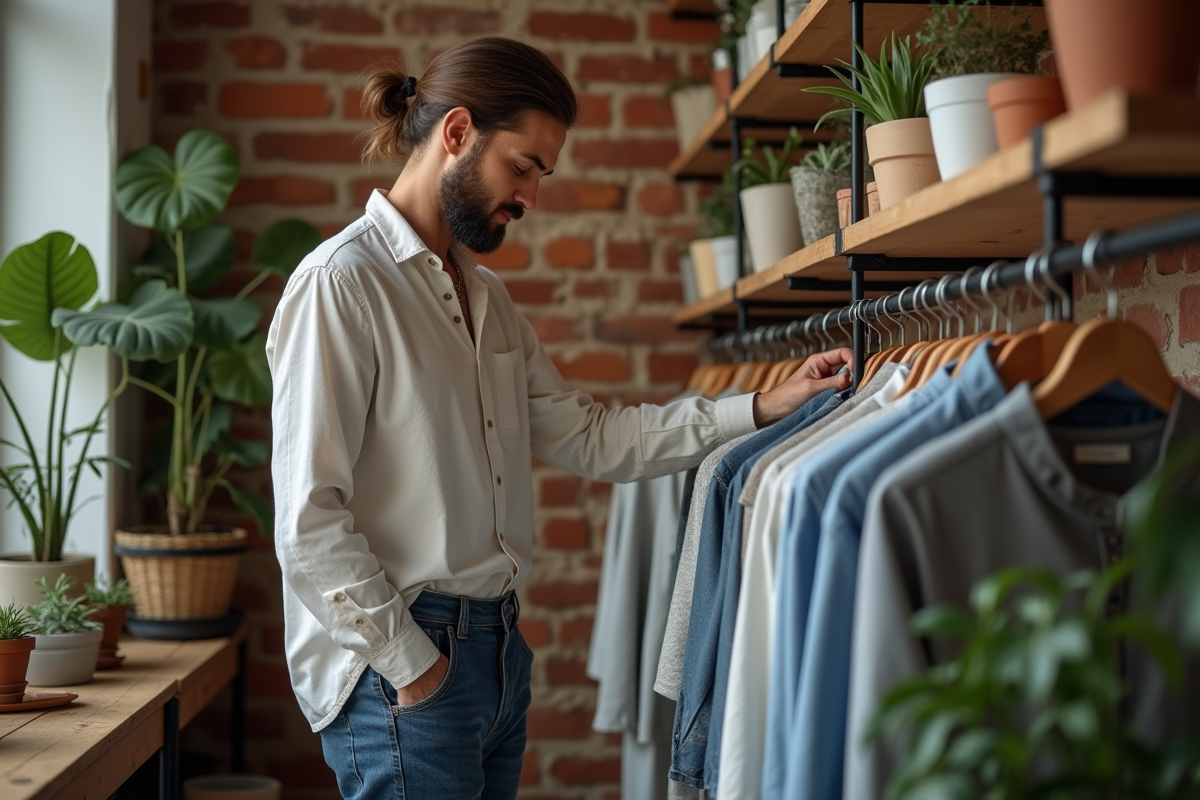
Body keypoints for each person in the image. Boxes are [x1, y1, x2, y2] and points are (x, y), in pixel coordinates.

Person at [266, 35, 851, 800]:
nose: (531, 197)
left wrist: (764, 405)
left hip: (495, 654)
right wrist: (414, 667)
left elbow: (592, 438)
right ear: (457, 133)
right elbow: (308, 521)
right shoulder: (341, 284)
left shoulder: (487, 298)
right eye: (523, 166)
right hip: (406, 667)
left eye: (541, 174)